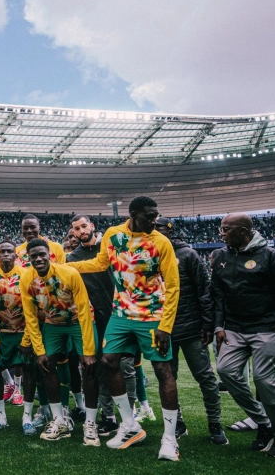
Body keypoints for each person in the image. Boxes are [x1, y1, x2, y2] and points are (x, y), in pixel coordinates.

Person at [66, 196, 181, 462]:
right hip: (121, 312)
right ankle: (129, 426)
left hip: (153, 314)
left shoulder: (161, 242)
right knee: (108, 361)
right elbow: (100, 263)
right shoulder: (113, 234)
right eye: (150, 216)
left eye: (156, 216)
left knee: (163, 370)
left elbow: (173, 286)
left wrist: (166, 325)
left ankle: (170, 438)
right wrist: (66, 266)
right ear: (133, 214)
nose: (155, 221)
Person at [212, 213, 275, 459]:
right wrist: (218, 326)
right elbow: (218, 295)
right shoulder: (220, 256)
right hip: (234, 328)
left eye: (225, 229)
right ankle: (264, 423)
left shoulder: (272, 256)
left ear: (243, 231)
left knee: (265, 382)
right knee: (226, 371)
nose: (221, 233)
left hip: (267, 328)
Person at [153, 217, 227, 444]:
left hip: (192, 328)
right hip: (163, 330)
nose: (155, 232)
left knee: (205, 377)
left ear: (170, 231)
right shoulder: (148, 256)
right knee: (167, 378)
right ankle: (178, 423)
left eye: (160, 228)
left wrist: (207, 324)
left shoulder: (188, 255)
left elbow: (205, 292)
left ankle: (215, 423)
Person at [20, 239, 99, 446]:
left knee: (89, 366)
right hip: (52, 323)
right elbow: (30, 316)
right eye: (33, 256)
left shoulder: (69, 274)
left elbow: (83, 309)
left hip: (77, 321)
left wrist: (88, 351)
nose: (38, 259)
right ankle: (59, 420)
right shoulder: (26, 279)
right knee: (46, 364)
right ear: (29, 258)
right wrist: (39, 351)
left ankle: (91, 424)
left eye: (41, 254)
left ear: (49, 255)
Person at [68, 214, 135, 438]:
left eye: (84, 225)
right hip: (94, 321)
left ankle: (130, 416)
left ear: (92, 226)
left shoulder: (109, 247)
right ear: (74, 232)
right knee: (99, 368)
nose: (81, 230)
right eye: (76, 228)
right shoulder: (73, 258)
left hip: (119, 316)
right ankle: (109, 417)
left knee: (125, 368)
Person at [0, 241, 33, 434]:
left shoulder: (25, 275)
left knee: (29, 370)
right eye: (2, 251)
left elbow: (32, 309)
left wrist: (27, 339)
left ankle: (27, 417)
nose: (5, 254)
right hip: (2, 333)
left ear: (16, 255)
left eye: (9, 251)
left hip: (23, 332)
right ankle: (1, 416)